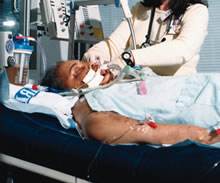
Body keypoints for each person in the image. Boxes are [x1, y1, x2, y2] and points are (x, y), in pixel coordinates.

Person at [40, 60, 220, 146]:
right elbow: (99, 126)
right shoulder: (87, 104)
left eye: (85, 62)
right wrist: (204, 135)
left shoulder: (121, 81)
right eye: (77, 70)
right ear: (70, 91)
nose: (90, 65)